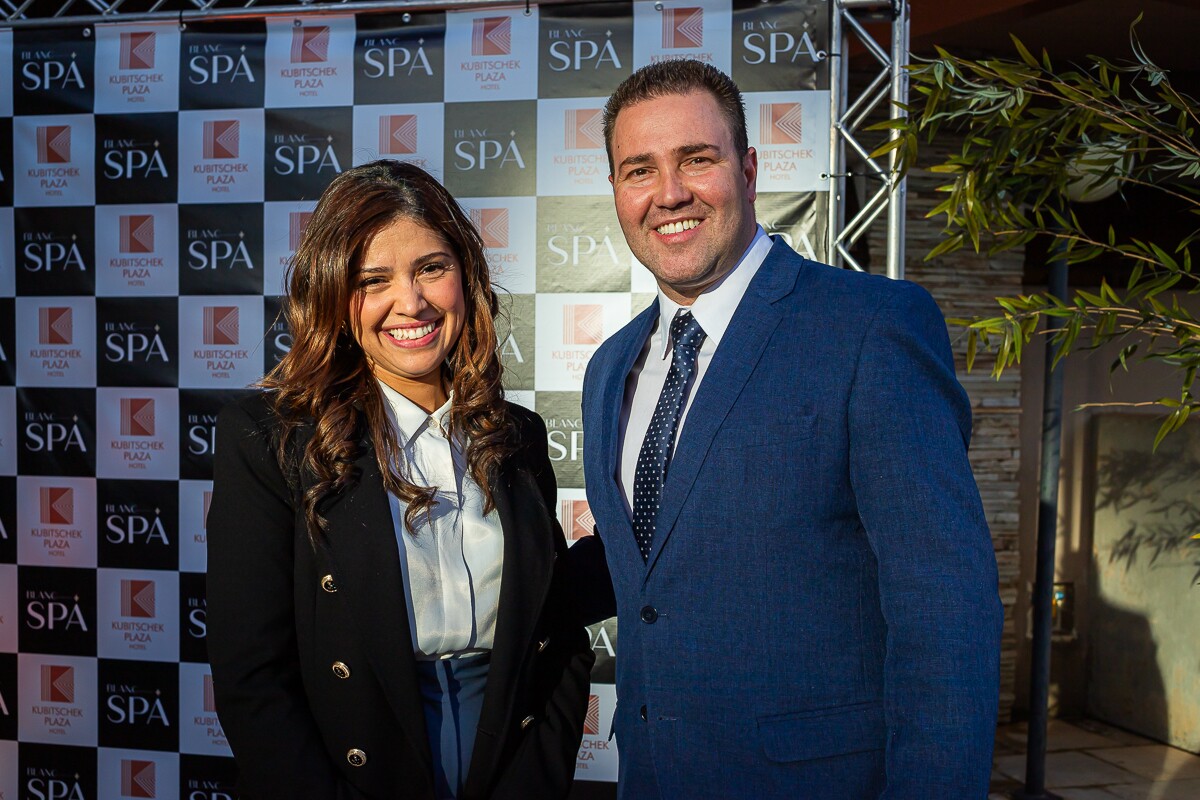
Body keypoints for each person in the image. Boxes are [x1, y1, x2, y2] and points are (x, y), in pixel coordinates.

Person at [575, 60, 1004, 798]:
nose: (669, 193)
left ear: (746, 168)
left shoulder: (871, 328)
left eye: (696, 160)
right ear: (616, 191)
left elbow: (945, 609)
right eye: (638, 169)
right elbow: (654, 572)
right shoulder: (611, 366)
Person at [206, 160, 593, 800]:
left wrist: (536, 774)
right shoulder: (269, 437)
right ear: (333, 296)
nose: (410, 302)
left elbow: (551, 634)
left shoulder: (516, 436)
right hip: (351, 771)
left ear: (465, 275)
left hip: (504, 768)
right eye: (373, 280)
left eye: (431, 269)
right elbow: (253, 679)